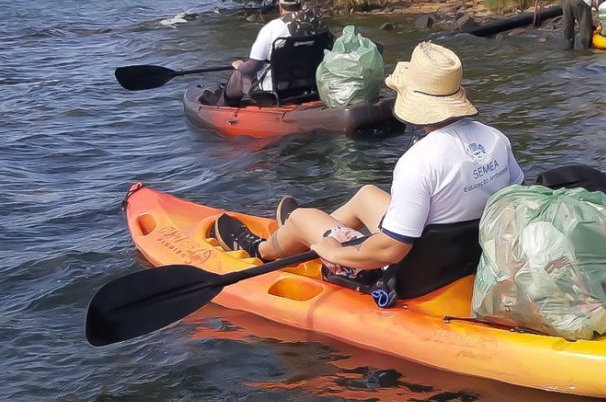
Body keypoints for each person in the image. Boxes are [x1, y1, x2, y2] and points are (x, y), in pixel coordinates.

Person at [213, 41, 524, 279]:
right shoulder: (494, 138)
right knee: (366, 195)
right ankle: (300, 234)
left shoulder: (420, 161)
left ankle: (263, 248)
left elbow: (391, 249)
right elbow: (514, 204)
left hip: (408, 273)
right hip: (463, 258)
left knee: (300, 217)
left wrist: (336, 253)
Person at [219, 0, 328, 105]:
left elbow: (253, 67)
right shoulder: (318, 26)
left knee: (238, 75)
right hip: (308, 86)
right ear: (301, 4)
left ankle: (222, 110)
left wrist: (240, 65)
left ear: (280, 5)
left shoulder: (271, 28)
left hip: (274, 92)